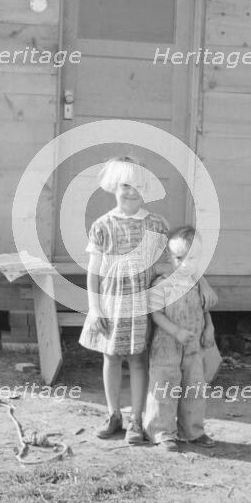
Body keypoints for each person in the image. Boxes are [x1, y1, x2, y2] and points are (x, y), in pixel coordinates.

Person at [79, 156, 170, 444]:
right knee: (111, 356)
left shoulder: (155, 223)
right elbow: (94, 271)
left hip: (142, 302)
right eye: (125, 185)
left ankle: (136, 419)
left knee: (138, 359)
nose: (131, 192)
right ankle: (113, 413)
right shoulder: (102, 224)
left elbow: (167, 263)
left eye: (138, 186)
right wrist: (95, 308)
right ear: (114, 186)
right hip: (112, 301)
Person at [143, 226, 219, 452]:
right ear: (169, 257)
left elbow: (204, 310)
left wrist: (210, 329)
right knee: (164, 388)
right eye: (179, 258)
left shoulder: (197, 284)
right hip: (166, 346)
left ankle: (192, 431)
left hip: (194, 347)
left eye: (192, 258)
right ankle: (161, 432)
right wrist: (175, 331)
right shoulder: (161, 284)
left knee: (194, 388)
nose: (185, 264)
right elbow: (155, 314)